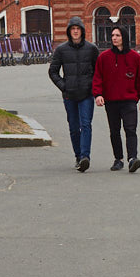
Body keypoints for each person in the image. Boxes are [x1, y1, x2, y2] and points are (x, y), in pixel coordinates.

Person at [93, 26, 140, 172]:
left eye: (117, 35)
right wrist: (98, 94)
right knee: (114, 131)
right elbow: (97, 78)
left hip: (129, 100)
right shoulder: (104, 57)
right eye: (112, 35)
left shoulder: (135, 57)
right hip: (111, 101)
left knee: (130, 129)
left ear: (124, 37)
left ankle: (132, 158)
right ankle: (118, 159)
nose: (114, 38)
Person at [48, 16, 100, 172]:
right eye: (73, 29)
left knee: (86, 125)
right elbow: (53, 71)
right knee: (73, 127)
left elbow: (98, 71)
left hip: (86, 94)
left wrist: (93, 88)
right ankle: (78, 156)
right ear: (69, 32)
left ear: (82, 31)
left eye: (78, 29)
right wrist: (64, 86)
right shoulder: (61, 50)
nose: (75, 32)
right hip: (69, 95)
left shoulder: (91, 49)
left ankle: (85, 156)